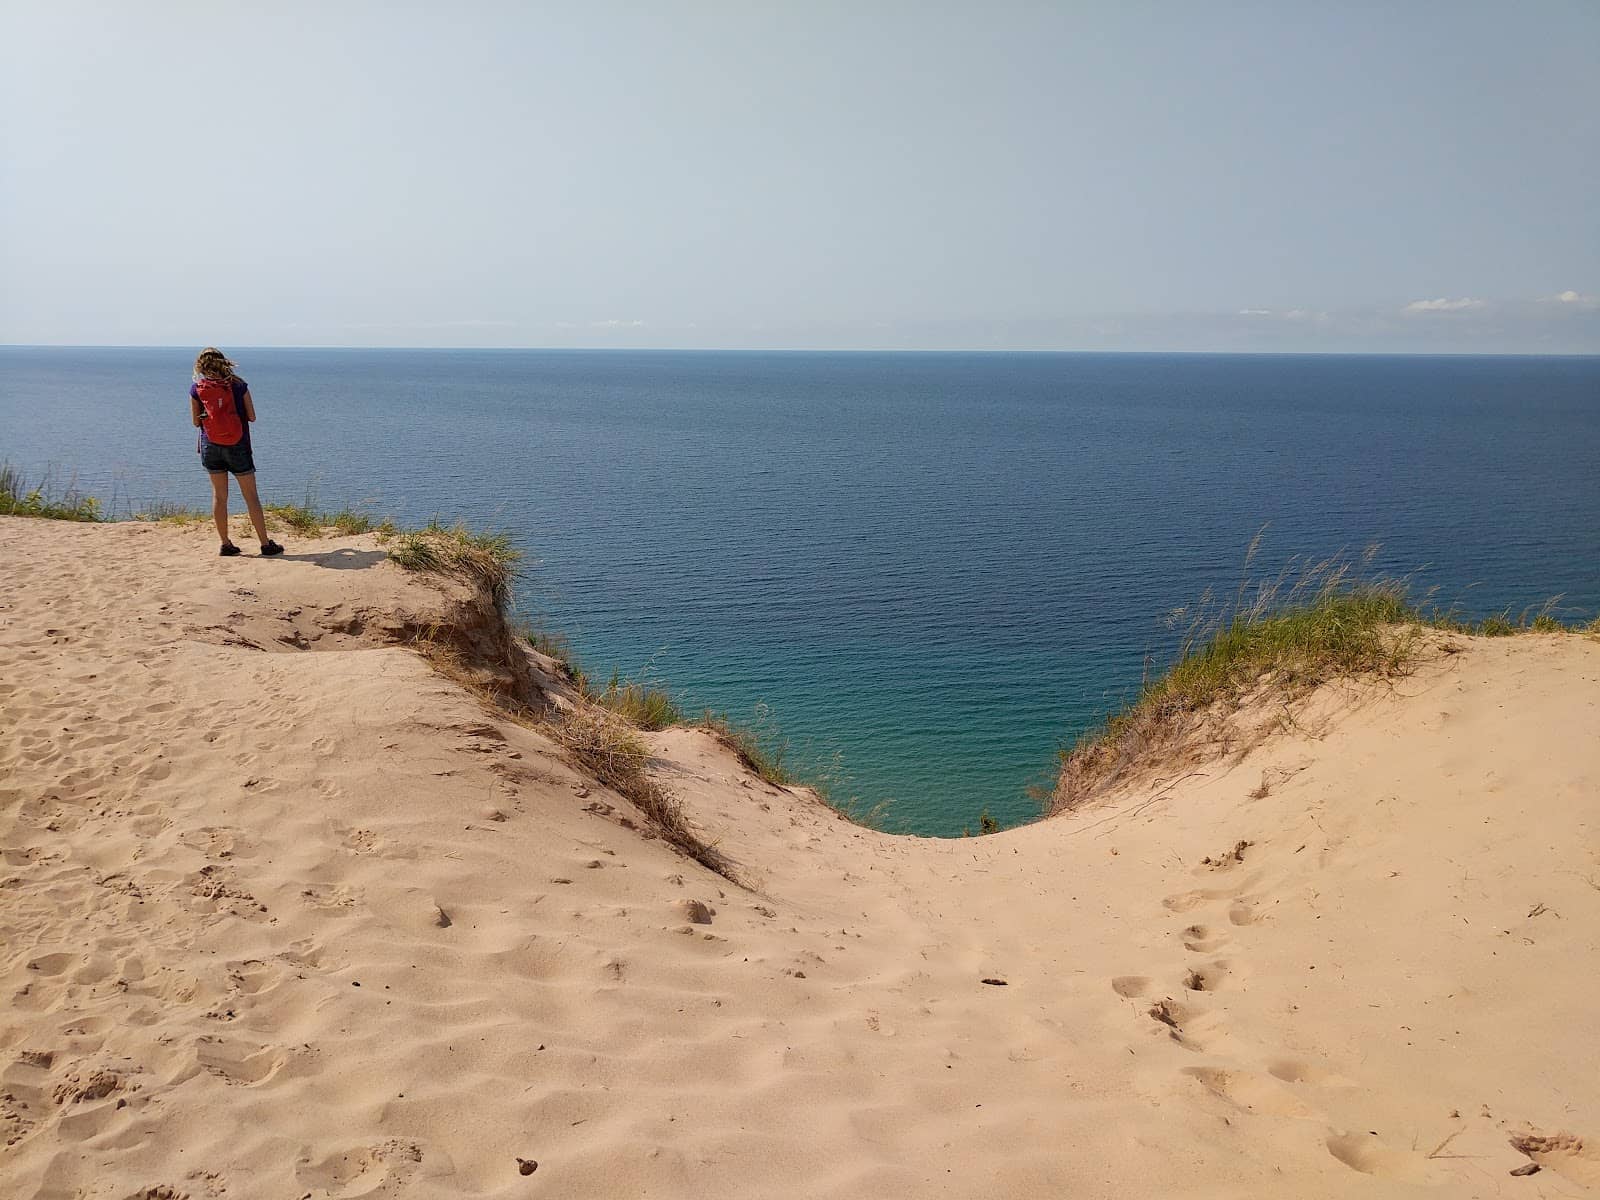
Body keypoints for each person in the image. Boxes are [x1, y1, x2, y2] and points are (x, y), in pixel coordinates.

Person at [189, 347, 283, 557]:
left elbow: (196, 422)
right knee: (251, 497)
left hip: (210, 446)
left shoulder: (197, 389)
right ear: (224, 363)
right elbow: (252, 417)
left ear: (201, 366)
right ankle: (265, 544)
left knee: (219, 497)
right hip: (238, 445)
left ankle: (225, 543)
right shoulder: (239, 386)